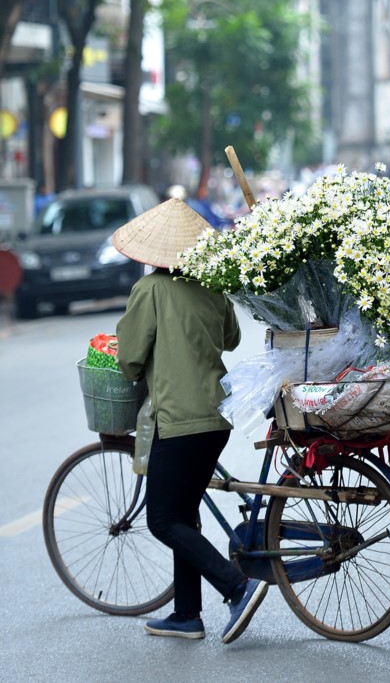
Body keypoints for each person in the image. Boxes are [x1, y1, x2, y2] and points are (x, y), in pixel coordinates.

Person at [113, 197, 267, 643]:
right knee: (184, 514)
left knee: (162, 520)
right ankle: (186, 614)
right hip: (216, 418)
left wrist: (140, 366)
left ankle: (237, 585)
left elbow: (129, 358)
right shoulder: (212, 287)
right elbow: (231, 339)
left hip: (179, 420)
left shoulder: (151, 290)